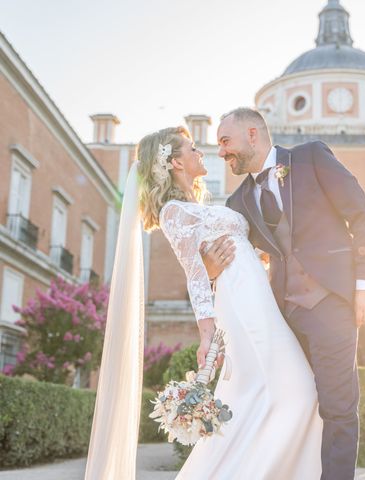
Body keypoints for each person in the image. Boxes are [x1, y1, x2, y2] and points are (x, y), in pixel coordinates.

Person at [84, 126, 322, 480]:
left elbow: (229, 252)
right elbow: (195, 274)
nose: (201, 153)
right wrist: (207, 334)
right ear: (176, 162)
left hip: (257, 296)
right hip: (242, 305)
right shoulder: (174, 212)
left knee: (261, 394)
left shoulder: (197, 207)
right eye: (192, 148)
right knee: (298, 390)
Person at [202, 108, 365, 480]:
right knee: (292, 404)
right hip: (282, 318)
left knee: (337, 407)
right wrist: (210, 271)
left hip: (333, 304)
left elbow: (362, 215)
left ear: (253, 134)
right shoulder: (237, 204)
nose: (221, 152)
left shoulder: (311, 157)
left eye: (226, 141)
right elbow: (239, 265)